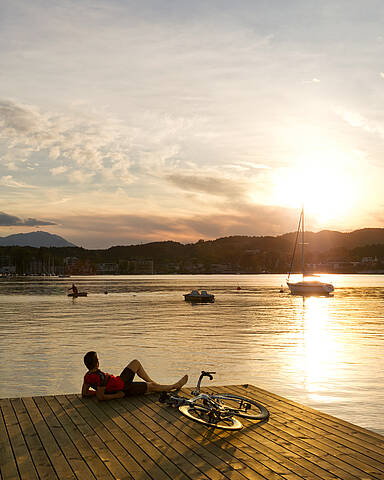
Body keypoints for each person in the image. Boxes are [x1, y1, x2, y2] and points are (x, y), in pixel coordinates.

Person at [81, 351, 188, 401]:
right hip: (124, 388)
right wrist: (116, 395)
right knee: (151, 387)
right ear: (97, 363)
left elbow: (84, 393)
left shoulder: (87, 376)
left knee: (135, 363)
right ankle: (175, 386)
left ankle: (152, 382)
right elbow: (101, 397)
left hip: (120, 381)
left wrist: (96, 392)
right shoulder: (101, 377)